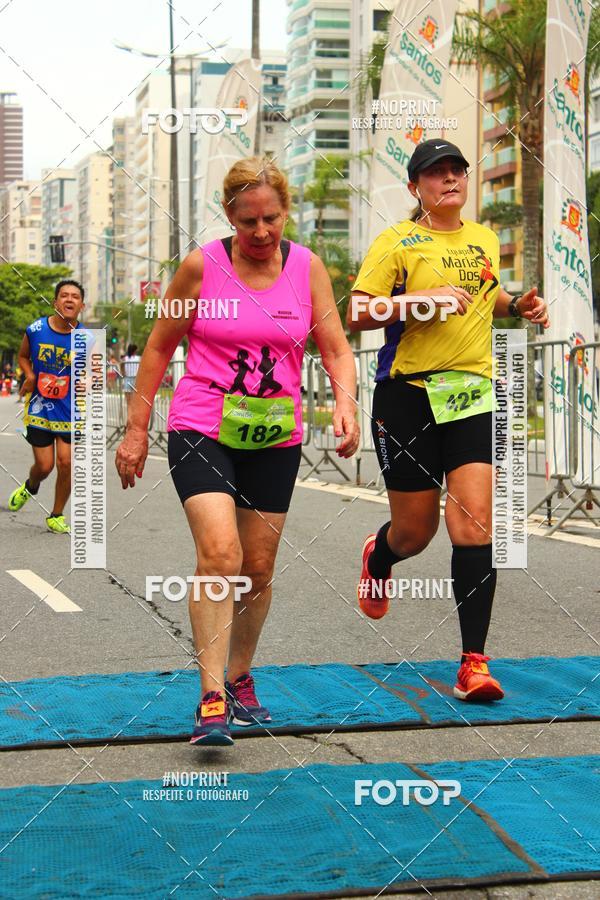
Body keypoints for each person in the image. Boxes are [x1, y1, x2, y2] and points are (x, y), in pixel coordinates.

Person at [115, 157, 359, 746]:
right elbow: (157, 350)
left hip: (275, 435)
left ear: (284, 212)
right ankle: (210, 697)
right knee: (220, 555)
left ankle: (241, 675)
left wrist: (346, 403)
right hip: (203, 425)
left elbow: (336, 348)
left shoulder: (307, 269)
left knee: (257, 568)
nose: (260, 232)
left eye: (271, 219)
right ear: (229, 214)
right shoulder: (202, 267)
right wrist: (136, 427)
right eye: (247, 221)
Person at [348, 139, 549, 702]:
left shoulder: (483, 237)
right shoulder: (396, 241)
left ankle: (473, 663)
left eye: (457, 170)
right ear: (417, 188)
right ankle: (379, 554)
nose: (450, 179)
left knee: (474, 525)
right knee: (415, 533)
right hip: (407, 395)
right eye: (436, 173)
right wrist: (418, 300)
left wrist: (519, 305)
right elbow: (357, 311)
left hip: (472, 394)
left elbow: (487, 295)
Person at [8, 279, 86, 534]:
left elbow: (91, 371)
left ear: (82, 306)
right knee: (44, 466)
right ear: (55, 302)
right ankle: (31, 486)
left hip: (70, 408)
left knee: (66, 463)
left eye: (75, 296)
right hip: (40, 407)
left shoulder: (86, 338)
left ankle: (56, 514)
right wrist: (29, 375)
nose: (69, 299)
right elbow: (22, 356)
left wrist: (87, 381)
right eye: (64, 295)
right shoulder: (36, 329)